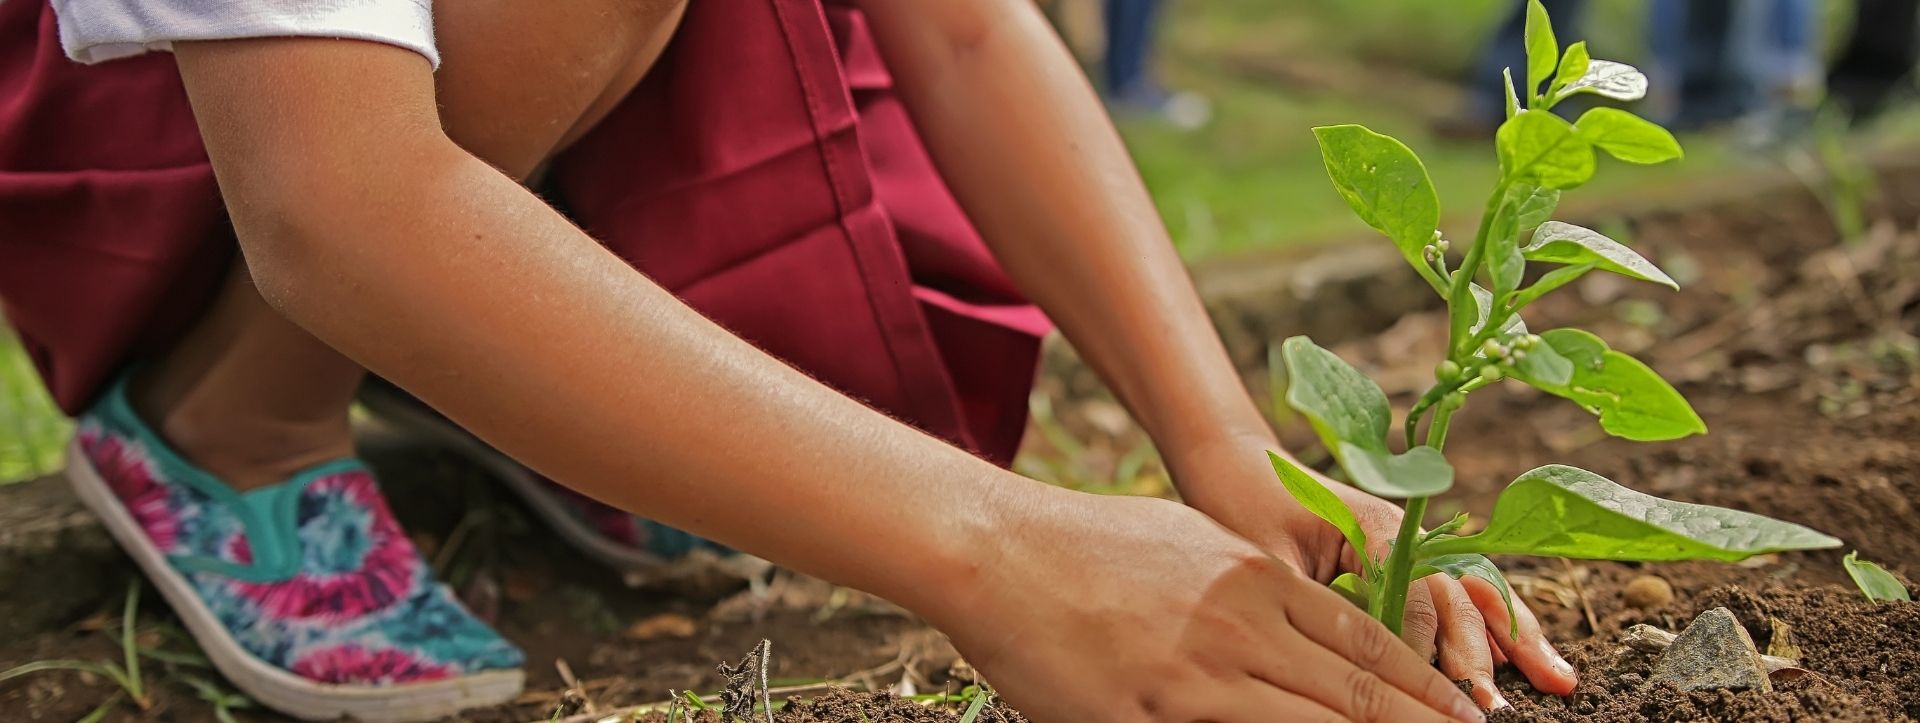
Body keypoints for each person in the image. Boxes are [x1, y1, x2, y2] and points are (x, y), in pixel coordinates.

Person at [0, 1, 1577, 720]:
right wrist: (1004, 553)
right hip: (180, 147)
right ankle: (230, 420)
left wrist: (1216, 438)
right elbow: (338, 206)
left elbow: (959, 27)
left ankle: (478, 362)